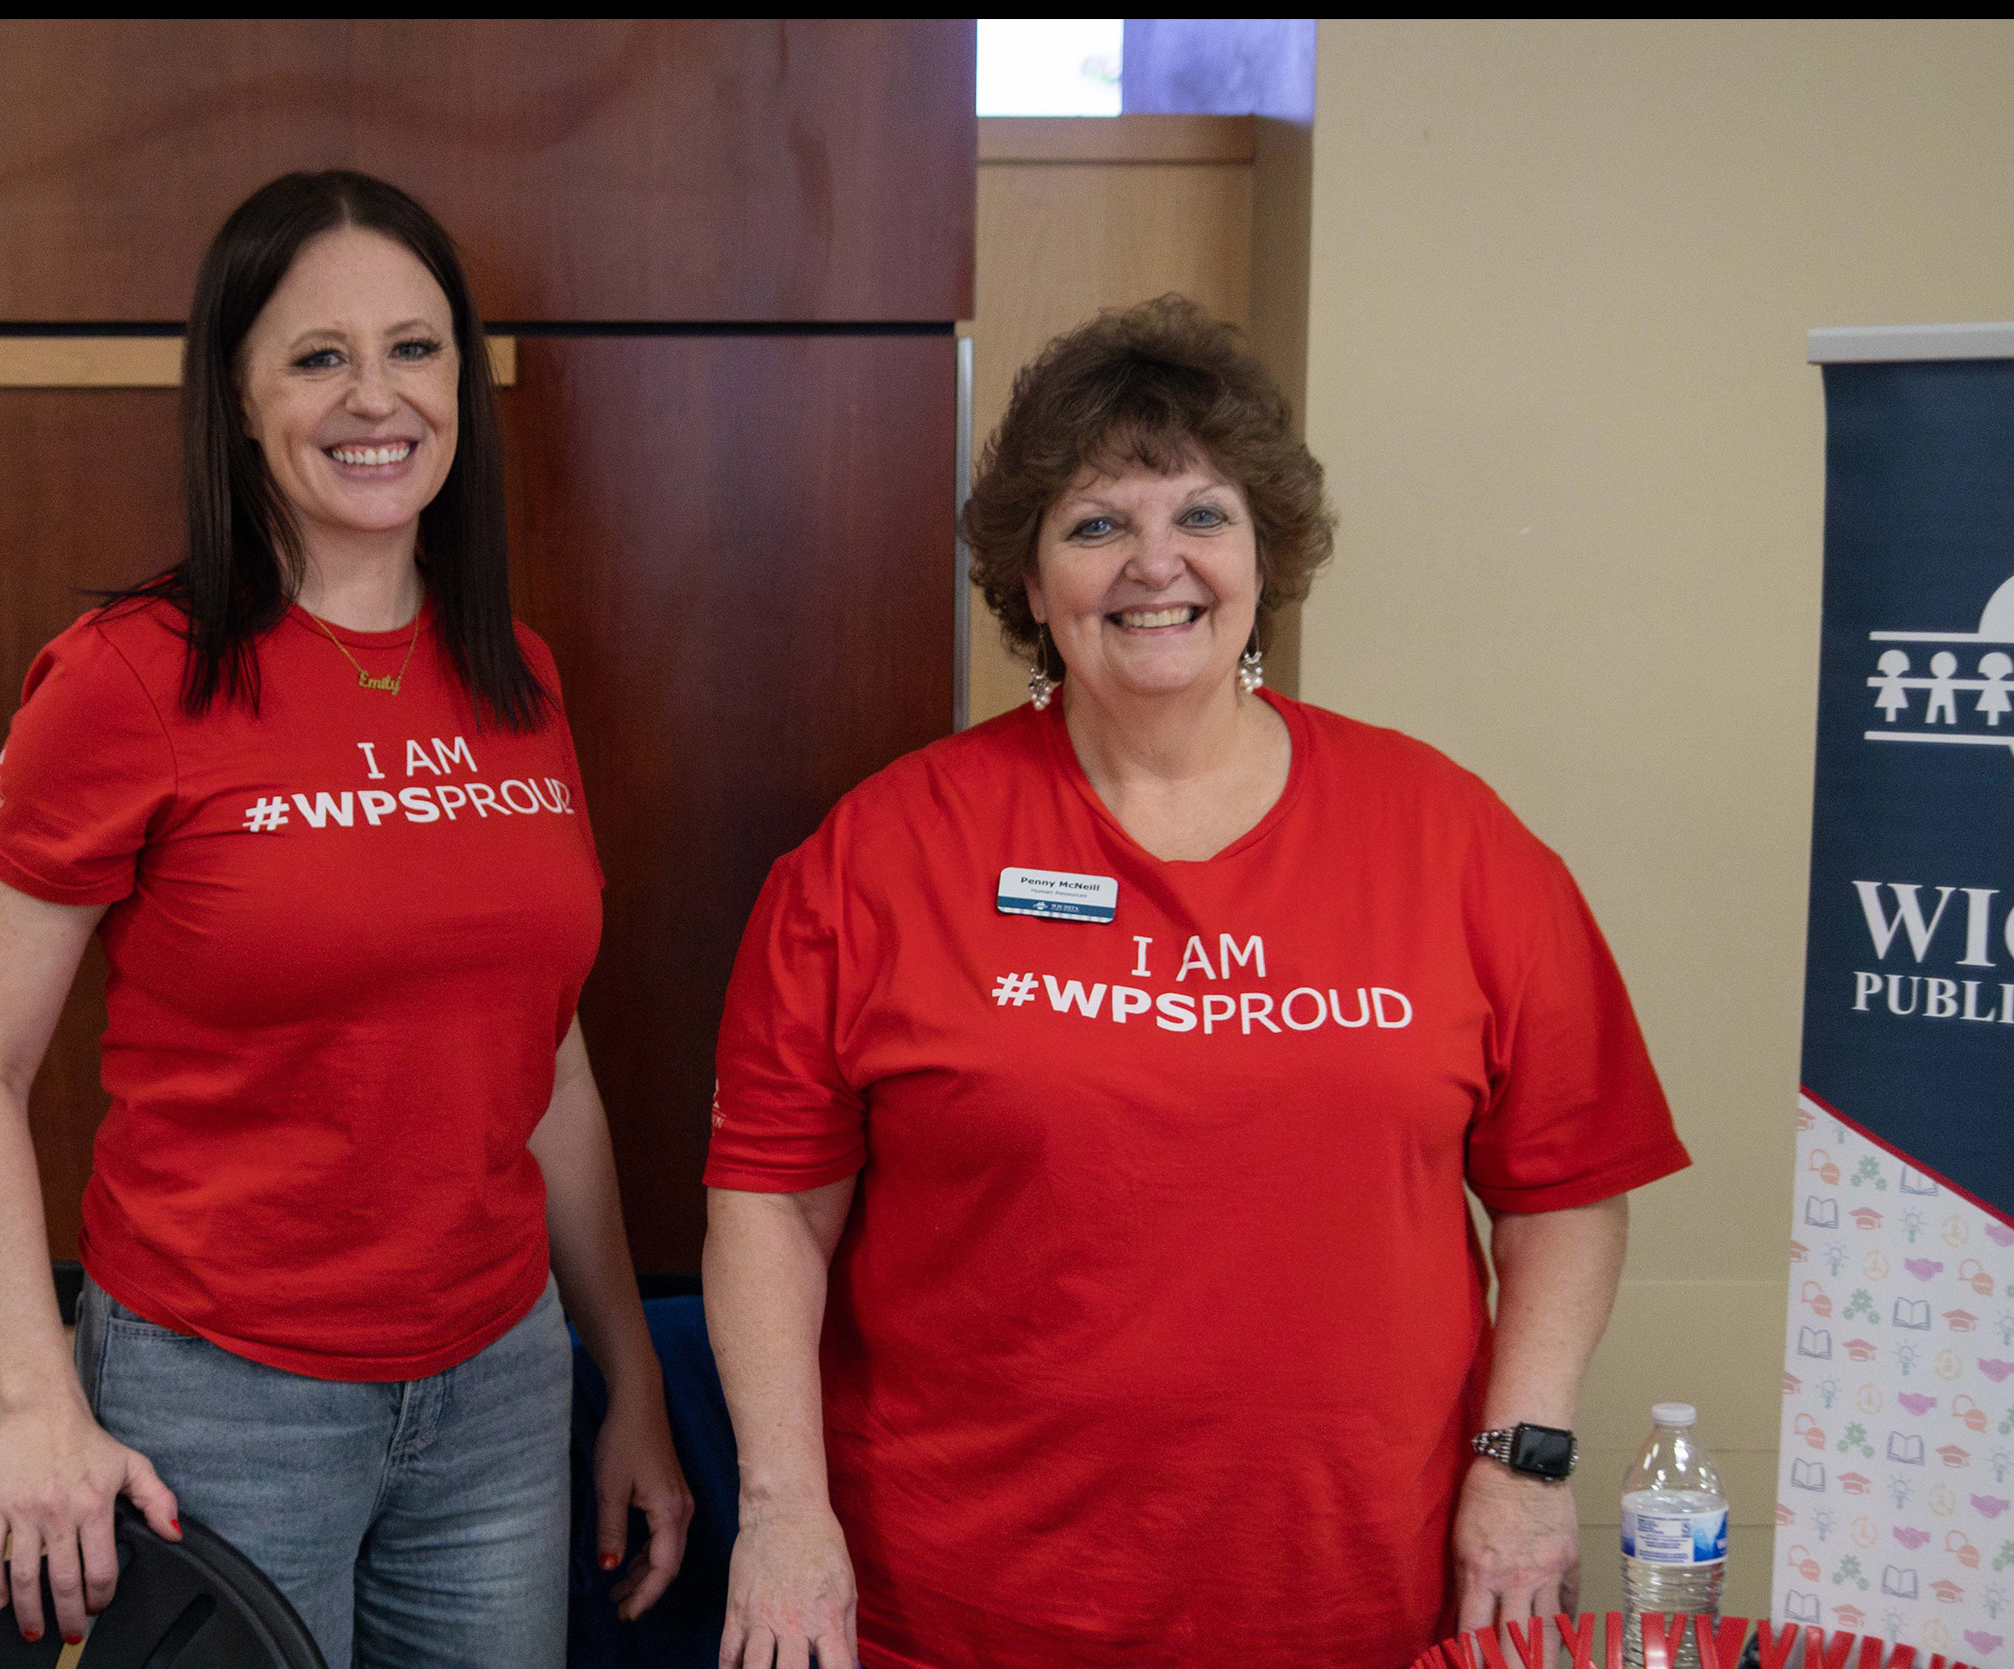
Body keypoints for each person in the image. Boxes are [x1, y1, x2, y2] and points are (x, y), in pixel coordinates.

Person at [703, 295, 1690, 1669]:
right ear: (1030, 581)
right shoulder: (881, 854)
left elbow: (1566, 1188)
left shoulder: (1452, 839)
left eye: (1202, 516)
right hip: (969, 1603)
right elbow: (770, 1203)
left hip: (1362, 1597)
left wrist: (1524, 1464)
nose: (1154, 563)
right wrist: (781, 1511)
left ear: (1264, 555)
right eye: (1097, 525)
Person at [0, 171, 692, 1668]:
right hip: (221, 1398)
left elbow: (551, 1068)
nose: (375, 398)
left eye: (413, 349)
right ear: (236, 394)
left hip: (500, 1386)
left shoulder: (519, 677)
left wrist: (630, 1383)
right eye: (318, 356)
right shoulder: (125, 677)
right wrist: (37, 1402)